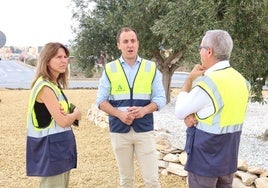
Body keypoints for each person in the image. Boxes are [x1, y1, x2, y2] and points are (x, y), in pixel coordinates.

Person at [174, 30, 250, 188]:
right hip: (228, 161)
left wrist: (189, 80)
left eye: (201, 48)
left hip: (204, 163)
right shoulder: (243, 82)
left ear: (209, 51)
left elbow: (179, 111)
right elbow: (221, 112)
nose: (200, 52)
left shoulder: (208, 84)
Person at [96, 27, 166, 188]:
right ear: (118, 45)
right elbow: (100, 101)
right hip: (119, 131)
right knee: (126, 181)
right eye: (125, 41)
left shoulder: (151, 68)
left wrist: (144, 110)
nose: (130, 45)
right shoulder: (110, 69)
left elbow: (160, 99)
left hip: (144, 130)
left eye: (133, 41)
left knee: (152, 181)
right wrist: (119, 114)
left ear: (138, 43)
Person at [26, 42, 81, 188]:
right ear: (47, 60)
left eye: (65, 57)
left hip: (60, 149)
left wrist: (72, 115)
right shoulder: (45, 87)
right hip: (51, 151)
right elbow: (63, 121)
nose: (64, 61)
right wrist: (74, 113)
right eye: (58, 57)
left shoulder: (54, 86)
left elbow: (71, 116)